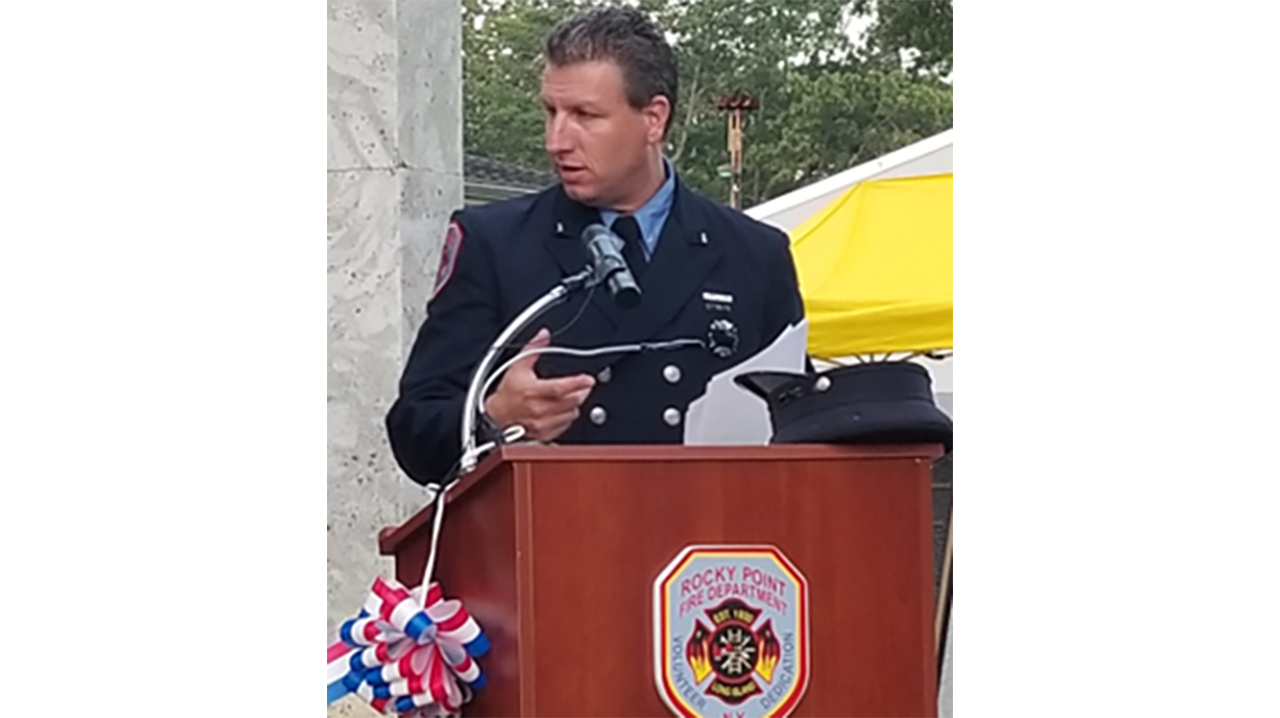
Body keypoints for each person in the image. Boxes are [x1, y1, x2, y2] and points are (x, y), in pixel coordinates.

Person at [386, 6, 806, 486]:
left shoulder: (753, 253)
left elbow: (803, 423)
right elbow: (414, 428)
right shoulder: (494, 243)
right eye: (551, 112)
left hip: (709, 544)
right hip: (552, 542)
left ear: (653, 119)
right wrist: (492, 417)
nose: (556, 140)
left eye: (584, 115)